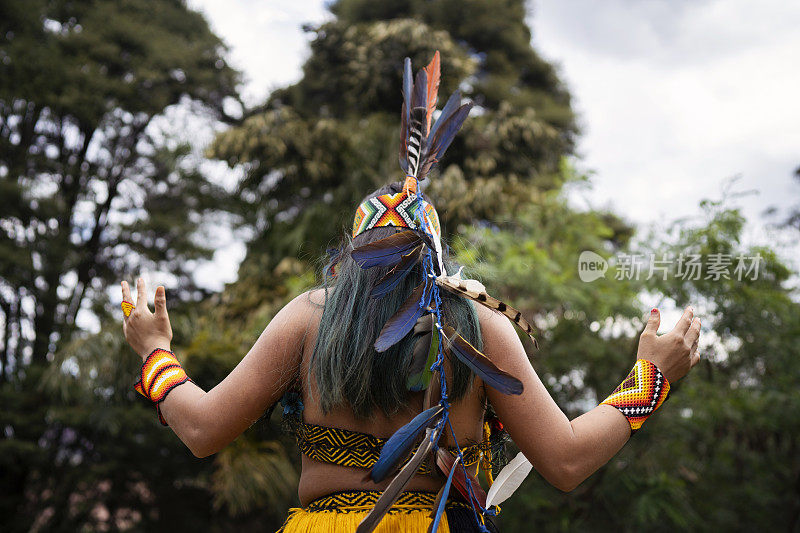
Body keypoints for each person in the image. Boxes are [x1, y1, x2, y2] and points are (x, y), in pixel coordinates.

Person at [120, 53, 702, 532]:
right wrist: (651, 376)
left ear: (350, 257)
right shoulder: (478, 325)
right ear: (439, 258)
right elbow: (567, 460)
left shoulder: (309, 321)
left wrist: (154, 353)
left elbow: (199, 430)